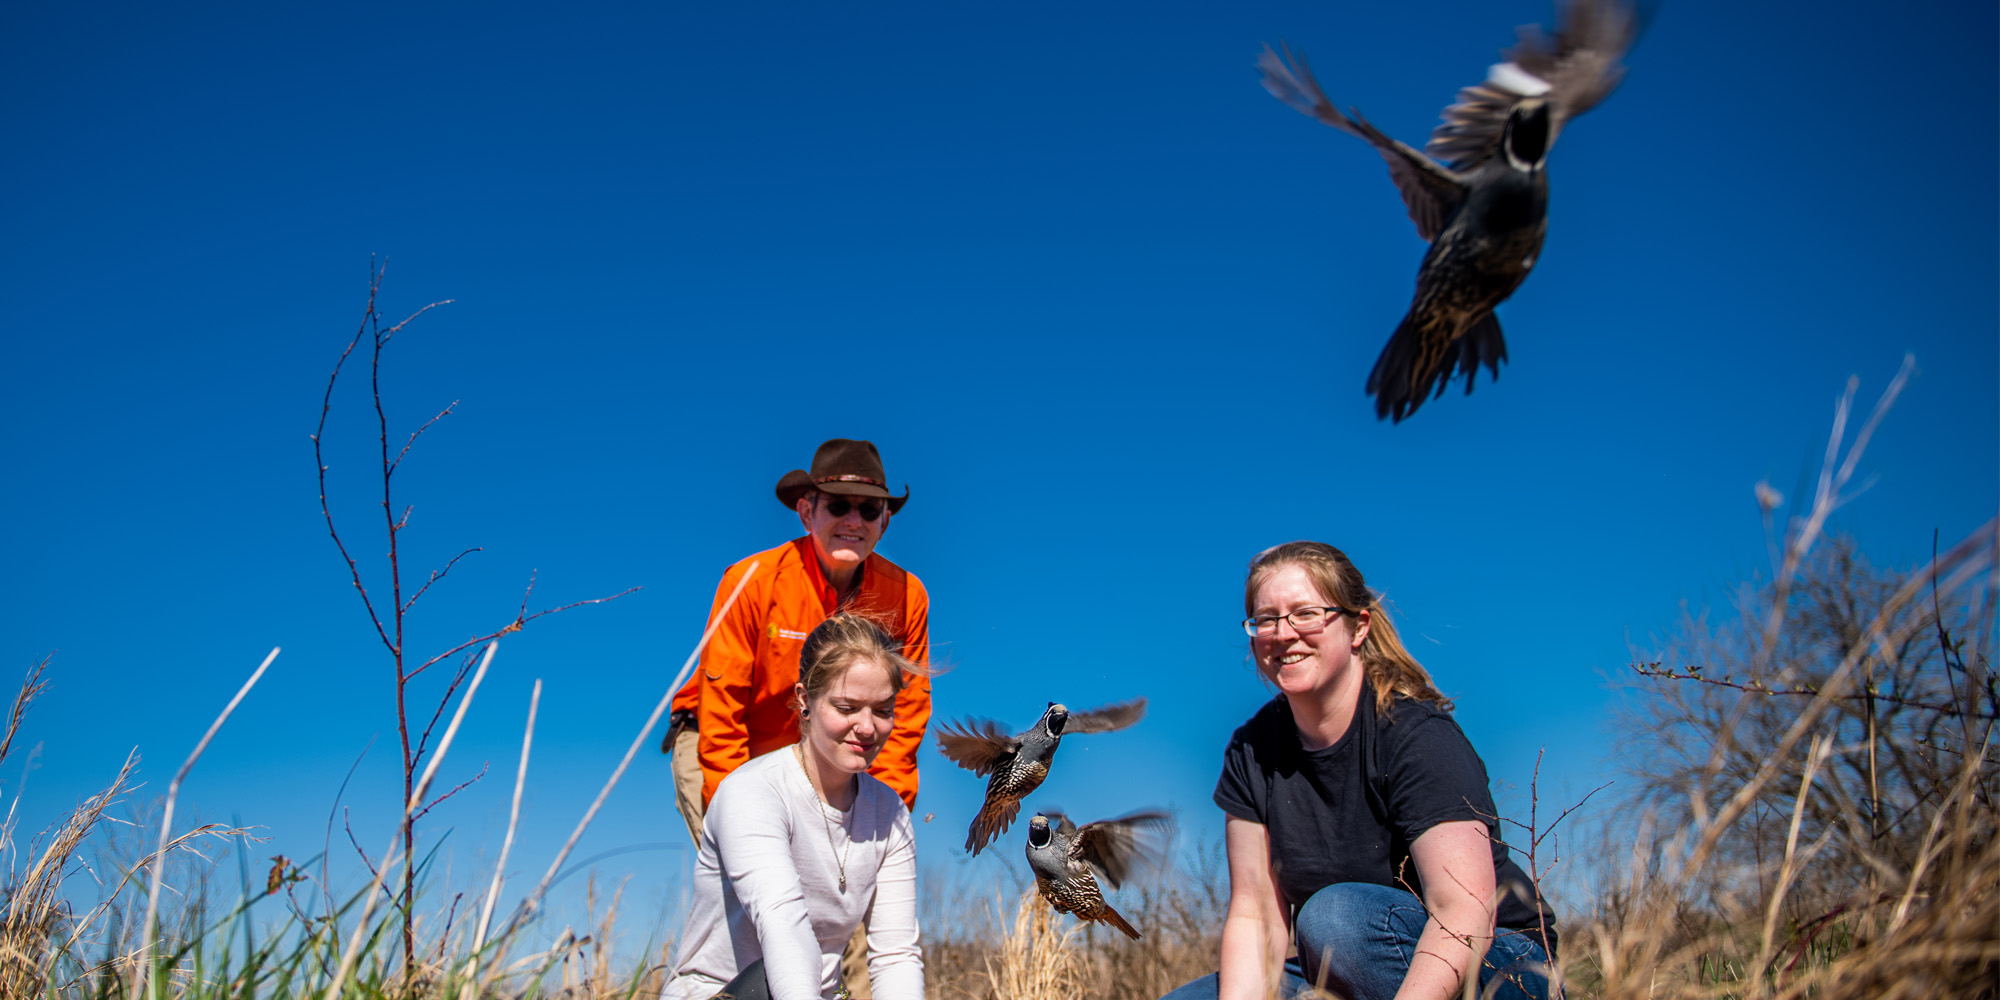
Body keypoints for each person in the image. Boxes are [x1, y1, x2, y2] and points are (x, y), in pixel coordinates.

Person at [1160, 542, 1558, 1000]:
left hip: (1495, 961)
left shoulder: (1415, 734)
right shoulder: (1250, 751)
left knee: (1335, 920)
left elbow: (1463, 912)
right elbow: (1257, 917)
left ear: (1357, 627)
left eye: (1305, 613)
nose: (1283, 633)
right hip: (1339, 964)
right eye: (1266, 619)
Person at [665, 437, 931, 838]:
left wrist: (882, 814)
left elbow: (904, 717)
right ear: (807, 512)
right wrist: (743, 818)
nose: (854, 521)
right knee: (753, 877)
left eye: (869, 509)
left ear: (885, 521)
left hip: (825, 755)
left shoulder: (907, 596)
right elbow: (723, 712)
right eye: (838, 506)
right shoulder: (751, 582)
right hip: (728, 743)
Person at [660, 613, 925, 1000]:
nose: (867, 728)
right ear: (805, 699)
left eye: (883, 710)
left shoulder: (890, 814)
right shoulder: (753, 791)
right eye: (847, 708)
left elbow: (896, 955)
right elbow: (783, 922)